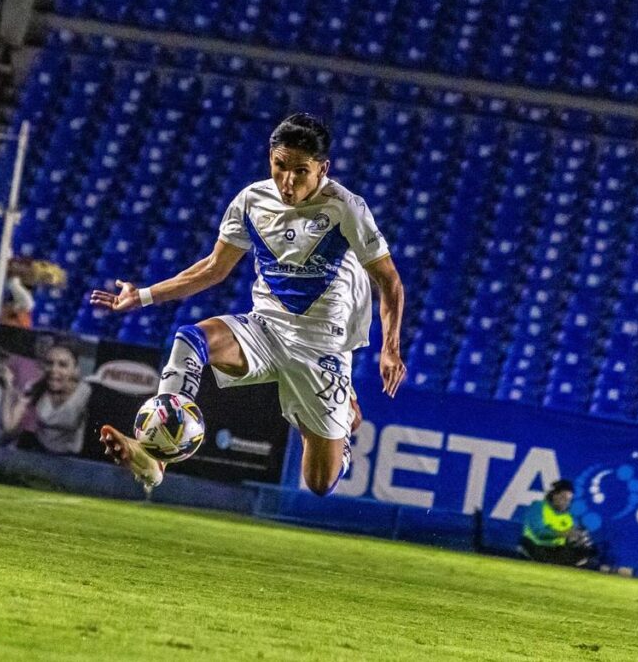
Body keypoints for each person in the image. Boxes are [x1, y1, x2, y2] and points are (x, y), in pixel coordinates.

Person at [91, 113, 406, 491]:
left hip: (321, 348)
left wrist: (390, 349)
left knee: (319, 483)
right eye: (280, 166)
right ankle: (157, 455)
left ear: (323, 168)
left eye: (301, 171)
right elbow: (212, 268)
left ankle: (342, 430)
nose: (288, 181)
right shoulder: (251, 201)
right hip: (266, 329)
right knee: (190, 340)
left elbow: (388, 280)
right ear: (270, 157)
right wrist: (141, 296)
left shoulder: (346, 208)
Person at [520, 479, 598, 567]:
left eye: (569, 500)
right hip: (535, 546)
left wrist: (578, 539)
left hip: (556, 550)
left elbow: (569, 540)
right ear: (554, 495)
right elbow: (539, 533)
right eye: (563, 498)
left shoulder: (568, 517)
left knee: (588, 551)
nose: (566, 502)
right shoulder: (538, 507)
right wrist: (564, 533)